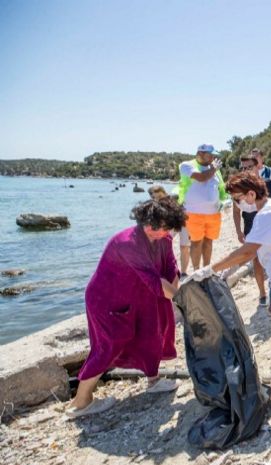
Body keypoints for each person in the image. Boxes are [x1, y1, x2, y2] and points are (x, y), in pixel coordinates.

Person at [66, 198, 186, 418]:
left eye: (166, 228)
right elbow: (154, 281)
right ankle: (80, 403)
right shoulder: (127, 243)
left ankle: (153, 380)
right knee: (109, 344)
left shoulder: (164, 237)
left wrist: (177, 293)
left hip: (141, 295)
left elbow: (170, 267)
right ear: (146, 222)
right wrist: (185, 301)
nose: (160, 231)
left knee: (152, 333)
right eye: (156, 227)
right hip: (108, 300)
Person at [191, 172, 271, 382]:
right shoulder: (270, 209)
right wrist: (226, 268)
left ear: (250, 194)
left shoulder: (268, 214)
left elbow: (248, 251)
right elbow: (252, 250)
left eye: (237, 199)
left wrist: (211, 268)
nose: (237, 204)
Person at [178, 144, 227, 269]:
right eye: (210, 155)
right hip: (194, 213)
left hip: (214, 213)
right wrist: (214, 169)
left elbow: (220, 188)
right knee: (196, 242)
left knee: (209, 241)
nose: (213, 157)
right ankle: (196, 270)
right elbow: (201, 178)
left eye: (213, 155)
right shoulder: (187, 165)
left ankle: (206, 269)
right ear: (200, 154)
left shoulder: (215, 170)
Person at [232, 157, 269, 306]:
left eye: (248, 167)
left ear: (257, 166)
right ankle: (262, 293)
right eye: (243, 168)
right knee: (257, 261)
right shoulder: (238, 190)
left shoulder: (267, 185)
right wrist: (238, 231)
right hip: (250, 230)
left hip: (268, 229)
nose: (245, 170)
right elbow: (235, 212)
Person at [148, 185, 191, 274]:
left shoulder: (174, 197)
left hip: (183, 222)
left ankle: (183, 273)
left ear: (164, 193)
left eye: (159, 196)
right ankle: (164, 269)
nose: (157, 199)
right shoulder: (154, 205)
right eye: (154, 197)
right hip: (170, 225)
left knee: (184, 246)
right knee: (164, 244)